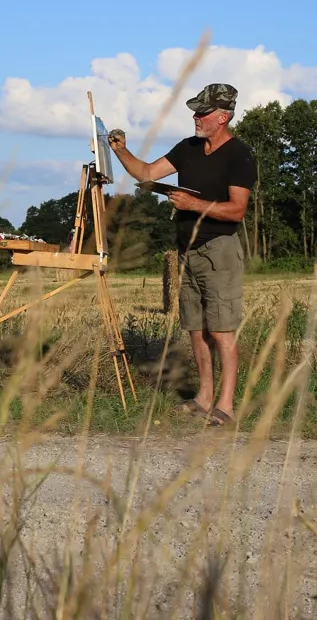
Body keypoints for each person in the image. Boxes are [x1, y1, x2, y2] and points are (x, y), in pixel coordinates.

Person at [107, 83, 257, 426]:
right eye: (195, 111)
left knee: (222, 331)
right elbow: (146, 173)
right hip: (187, 250)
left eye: (203, 112)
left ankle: (226, 406)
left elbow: (237, 210)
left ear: (223, 116)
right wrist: (121, 150)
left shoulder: (240, 155)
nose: (196, 117)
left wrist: (193, 204)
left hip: (220, 250)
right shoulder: (187, 148)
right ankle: (204, 399)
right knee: (196, 328)